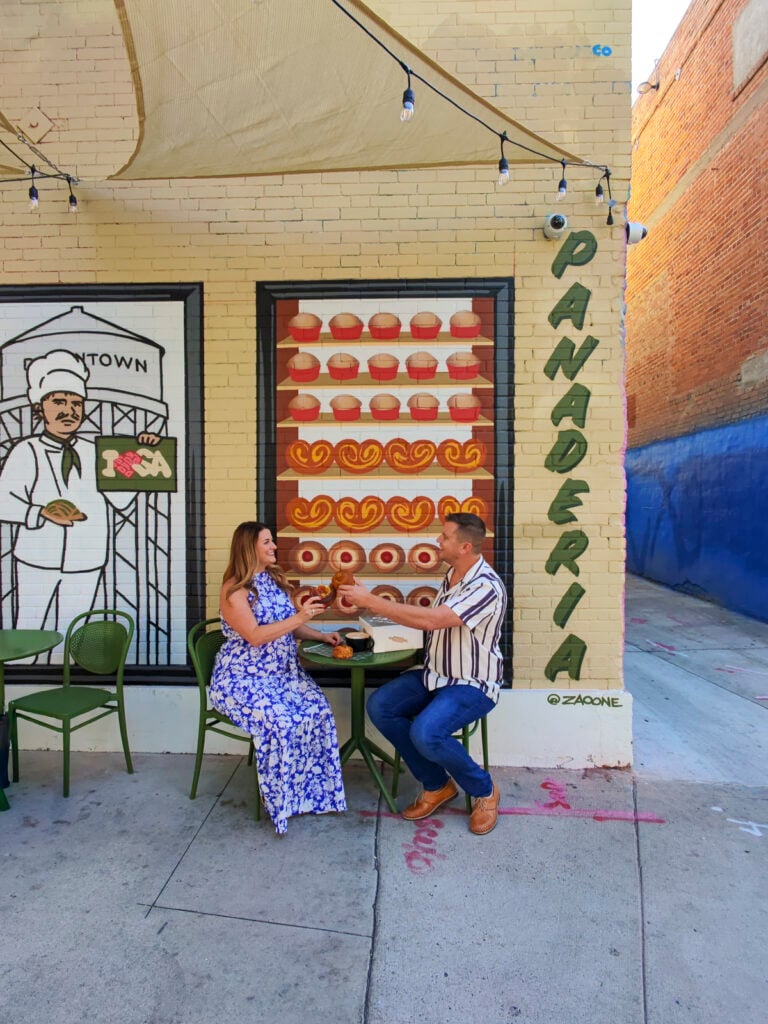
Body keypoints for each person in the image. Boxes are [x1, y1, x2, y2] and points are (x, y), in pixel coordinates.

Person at [339, 512, 507, 835]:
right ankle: (437, 784)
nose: (438, 541)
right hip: (435, 675)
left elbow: (433, 620)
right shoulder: (453, 574)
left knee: (427, 733)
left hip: (472, 683)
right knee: (380, 706)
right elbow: (426, 619)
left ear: (465, 547)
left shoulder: (486, 587)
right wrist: (366, 601)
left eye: (444, 537)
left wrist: (371, 601)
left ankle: (484, 790)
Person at [0, 349, 160, 636]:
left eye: (76, 403)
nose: (69, 410)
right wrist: (39, 512)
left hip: (87, 561)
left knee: (74, 633)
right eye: (58, 401)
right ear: (40, 407)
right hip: (36, 558)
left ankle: (66, 678)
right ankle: (21, 677)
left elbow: (122, 500)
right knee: (28, 629)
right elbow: (4, 500)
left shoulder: (97, 452)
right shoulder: (26, 450)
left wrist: (142, 454)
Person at [209, 521, 347, 834]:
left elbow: (290, 626)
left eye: (273, 541)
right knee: (282, 722)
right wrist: (300, 616)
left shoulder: (271, 580)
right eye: (267, 542)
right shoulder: (235, 589)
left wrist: (321, 635)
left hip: (284, 676)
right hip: (243, 680)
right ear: (249, 548)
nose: (274, 547)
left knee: (319, 711)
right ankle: (279, 800)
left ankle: (311, 796)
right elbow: (255, 636)